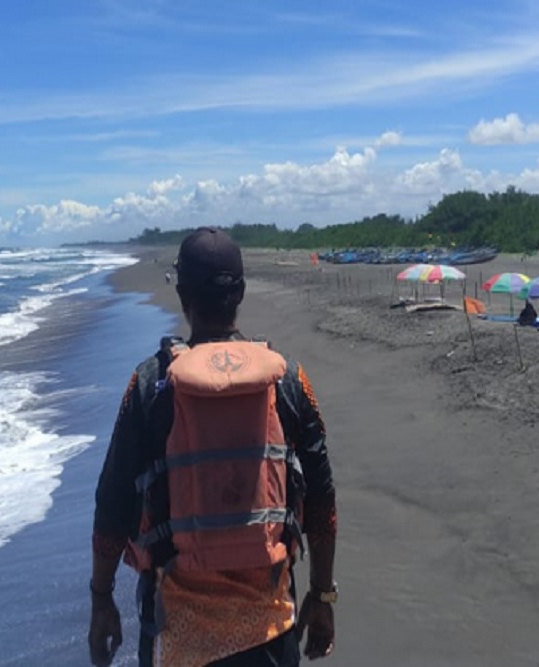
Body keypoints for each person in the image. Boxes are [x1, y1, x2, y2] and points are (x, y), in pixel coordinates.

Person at [89, 227, 338, 667]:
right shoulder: (289, 381)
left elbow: (111, 503)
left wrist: (101, 599)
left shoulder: (150, 386)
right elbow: (322, 501)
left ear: (182, 294)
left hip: (178, 637)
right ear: (239, 292)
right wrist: (322, 594)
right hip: (270, 630)